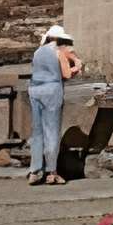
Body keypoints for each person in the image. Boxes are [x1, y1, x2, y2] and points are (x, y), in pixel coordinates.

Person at [27, 23, 80, 185]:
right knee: (52, 130)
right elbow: (66, 74)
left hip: (34, 89)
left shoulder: (37, 53)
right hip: (52, 90)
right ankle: (52, 172)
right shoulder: (58, 53)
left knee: (37, 132)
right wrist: (76, 66)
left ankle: (35, 170)